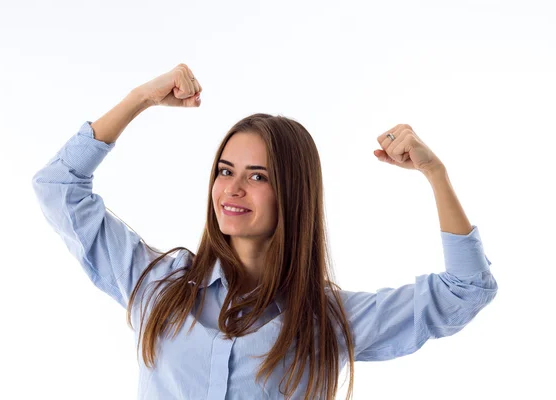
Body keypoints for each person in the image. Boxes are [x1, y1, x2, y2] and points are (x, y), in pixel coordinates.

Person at [31, 63, 498, 400]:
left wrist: (435, 174)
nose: (232, 189)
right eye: (225, 170)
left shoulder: (326, 321)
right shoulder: (157, 284)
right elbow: (57, 187)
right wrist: (141, 99)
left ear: (292, 194)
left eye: (258, 176)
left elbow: (466, 291)